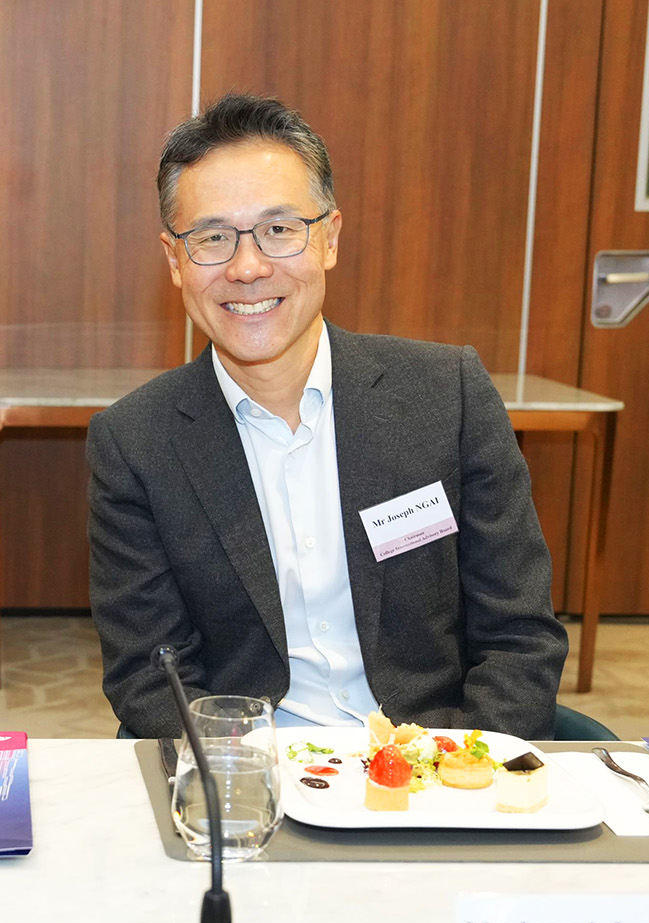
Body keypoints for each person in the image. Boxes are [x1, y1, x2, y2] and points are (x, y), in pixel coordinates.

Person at [90, 94, 566, 740]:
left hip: (434, 776)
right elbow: (152, 680)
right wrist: (254, 785)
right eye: (212, 238)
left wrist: (458, 776)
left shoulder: (447, 395)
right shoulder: (134, 445)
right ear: (175, 261)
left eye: (279, 229)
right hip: (253, 786)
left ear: (330, 239)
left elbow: (520, 638)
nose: (248, 266)